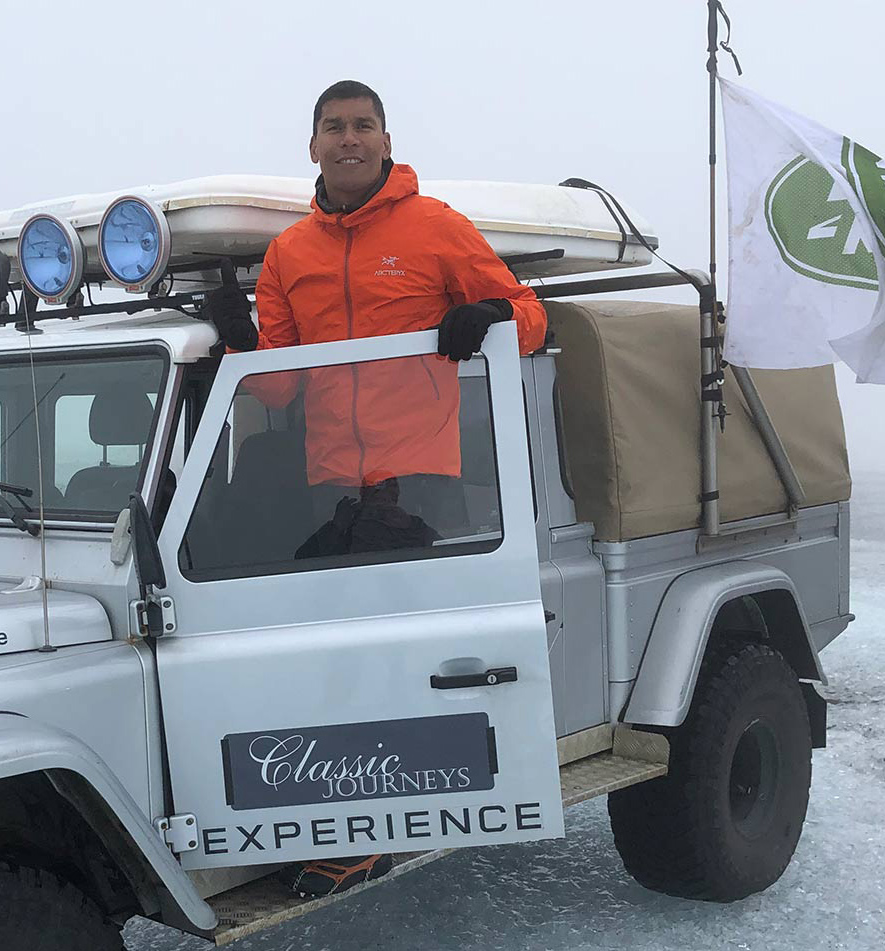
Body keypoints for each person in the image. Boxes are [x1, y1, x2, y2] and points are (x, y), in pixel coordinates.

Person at [202, 79, 547, 899]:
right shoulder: (289, 254)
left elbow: (532, 320)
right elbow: (278, 388)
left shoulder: (434, 226)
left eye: (362, 125)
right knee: (333, 658)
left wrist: (487, 316)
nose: (348, 139)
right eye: (334, 127)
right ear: (312, 146)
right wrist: (238, 342)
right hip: (329, 484)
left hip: (417, 475)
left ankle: (370, 834)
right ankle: (342, 819)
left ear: (386, 141)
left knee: (391, 663)